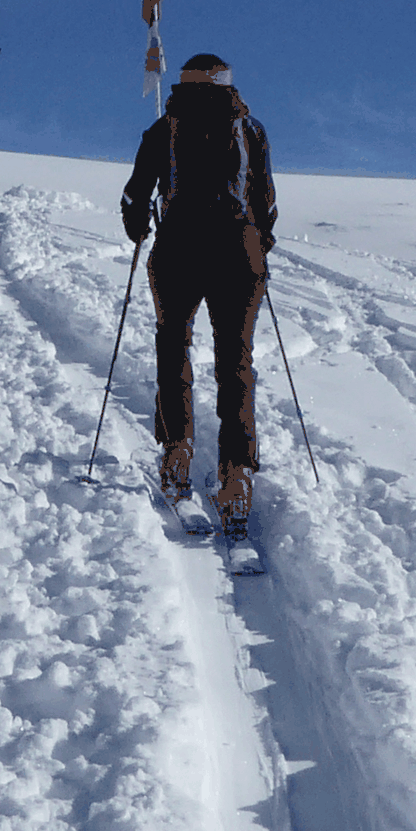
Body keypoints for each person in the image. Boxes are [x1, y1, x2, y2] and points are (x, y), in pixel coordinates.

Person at [121, 55, 276, 517]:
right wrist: (259, 241)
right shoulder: (250, 129)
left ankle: (177, 452)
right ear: (229, 83)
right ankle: (236, 473)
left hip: (179, 247)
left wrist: (140, 228)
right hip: (238, 249)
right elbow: (264, 199)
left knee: (173, 345)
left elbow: (134, 197)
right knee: (236, 359)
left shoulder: (164, 128)